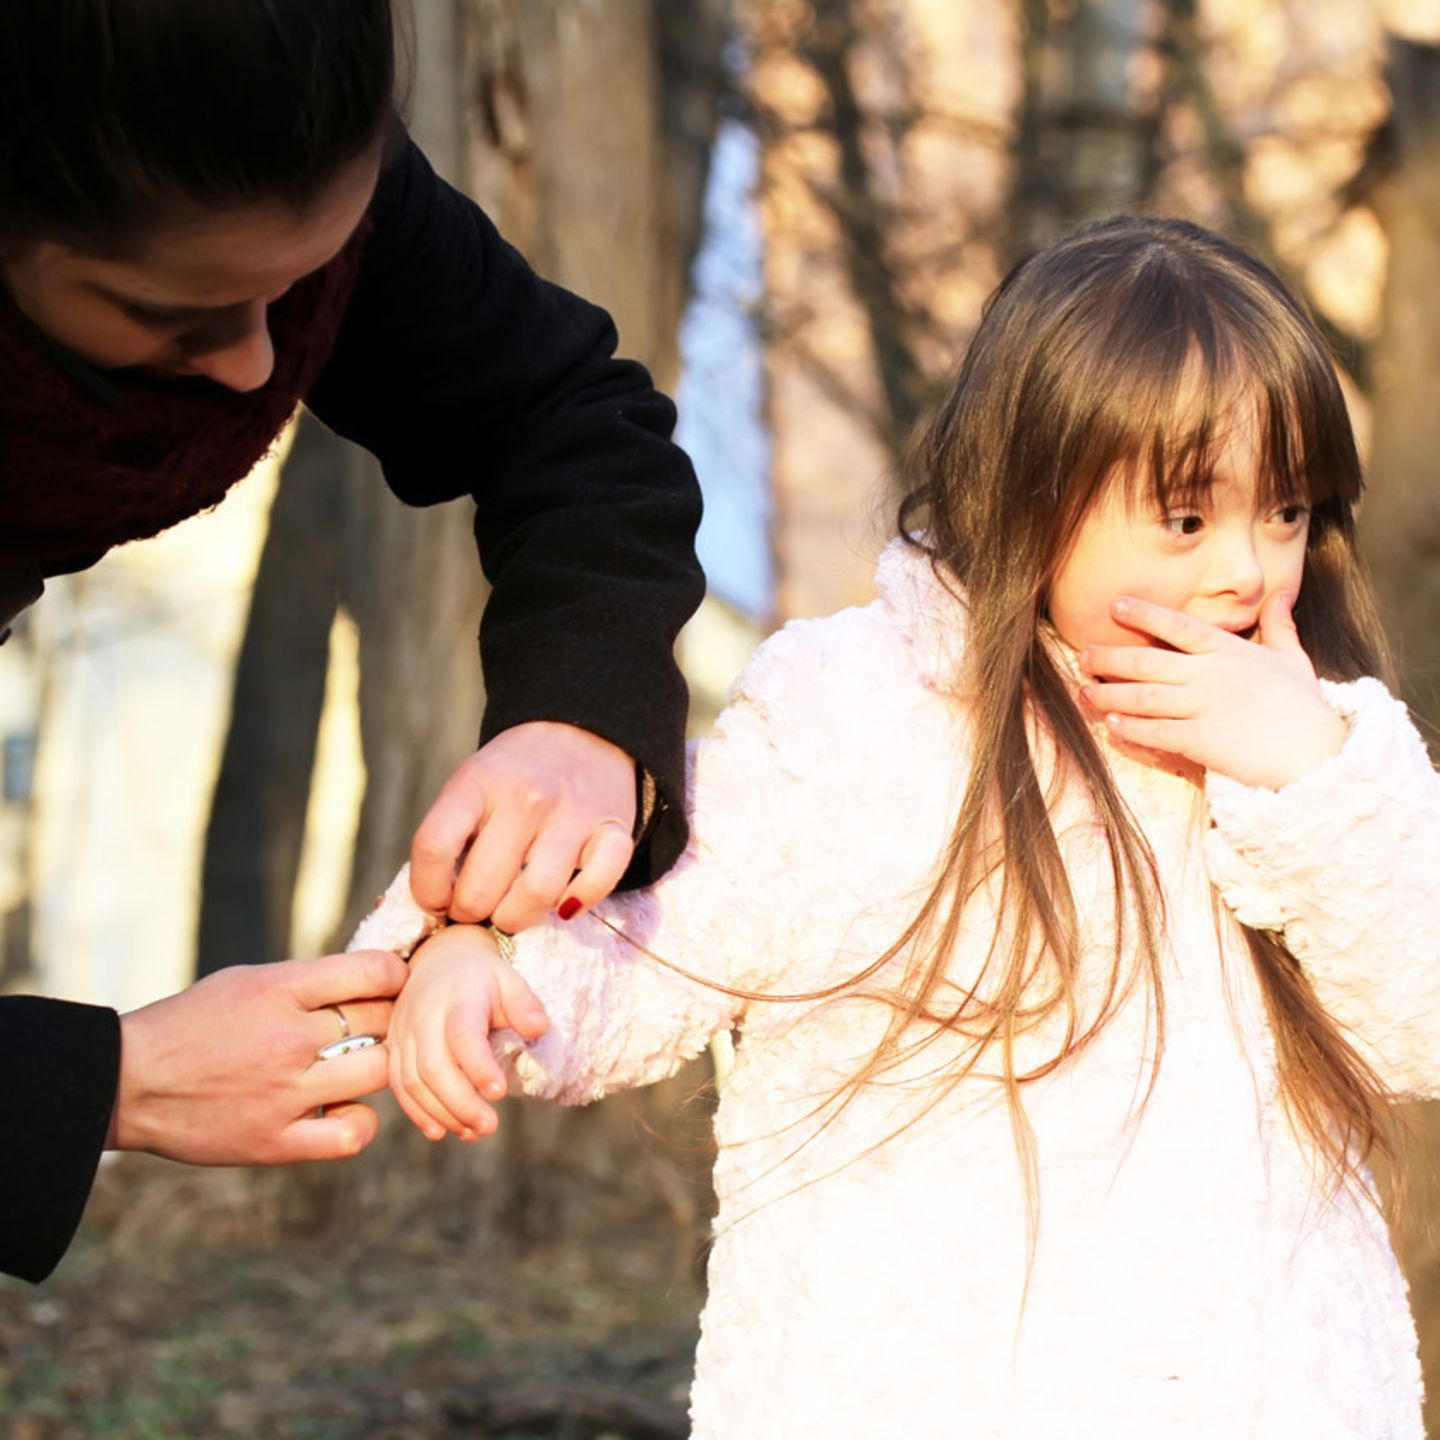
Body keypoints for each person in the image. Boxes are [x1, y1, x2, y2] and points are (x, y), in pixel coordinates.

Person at [357, 216, 1440, 1436]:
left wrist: (1311, 772)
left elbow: (1423, 1020)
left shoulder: (1320, 753)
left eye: (1286, 514)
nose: (1249, 572)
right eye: (1187, 523)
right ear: (1030, 498)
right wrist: (472, 951)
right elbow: (658, 916)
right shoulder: (865, 715)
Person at [0, 0, 702, 1284]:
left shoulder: (269, 143)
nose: (257, 364)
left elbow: (567, 419)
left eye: (300, 287)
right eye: (177, 316)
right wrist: (100, 1086)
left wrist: (582, 715)